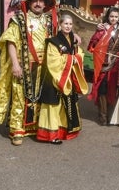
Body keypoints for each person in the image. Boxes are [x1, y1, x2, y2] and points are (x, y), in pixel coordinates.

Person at [0, 0, 58, 146]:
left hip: (45, 66)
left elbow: (59, 36)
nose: (38, 4)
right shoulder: (19, 19)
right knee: (20, 97)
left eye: (41, 1)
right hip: (25, 64)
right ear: (29, 3)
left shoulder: (49, 20)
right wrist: (15, 64)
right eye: (35, 1)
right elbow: (11, 42)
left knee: (40, 97)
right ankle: (17, 130)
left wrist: (74, 36)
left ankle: (36, 127)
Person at [36, 14, 89, 144]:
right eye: (65, 24)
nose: (68, 26)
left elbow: (79, 53)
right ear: (60, 25)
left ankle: (65, 130)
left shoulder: (72, 39)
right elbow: (53, 61)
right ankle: (51, 135)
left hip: (67, 76)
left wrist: (76, 57)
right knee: (53, 106)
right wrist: (72, 59)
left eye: (70, 24)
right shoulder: (53, 41)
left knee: (66, 105)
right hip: (55, 77)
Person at [88, 5, 119, 126]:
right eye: (111, 16)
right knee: (102, 90)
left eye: (116, 16)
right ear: (108, 17)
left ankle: (111, 115)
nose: (113, 18)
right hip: (103, 62)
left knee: (112, 89)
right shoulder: (102, 29)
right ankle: (102, 116)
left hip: (115, 64)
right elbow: (92, 45)